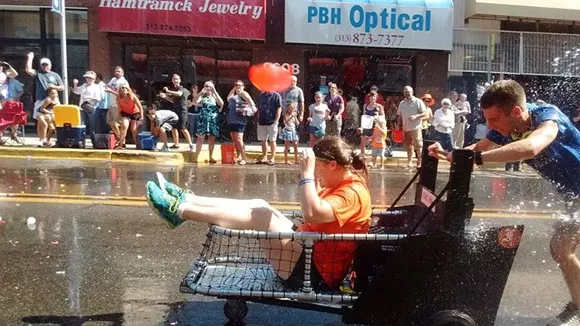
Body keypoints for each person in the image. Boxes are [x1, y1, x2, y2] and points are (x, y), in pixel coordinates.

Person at [428, 80, 580, 326]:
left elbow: (531, 147)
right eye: (487, 120)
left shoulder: (549, 119)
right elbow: (476, 149)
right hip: (574, 195)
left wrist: (476, 159)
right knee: (561, 249)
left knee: (561, 248)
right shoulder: (507, 125)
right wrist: (447, 153)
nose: (490, 127)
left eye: (494, 120)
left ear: (516, 112)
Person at [145, 136, 371, 291]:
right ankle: (187, 199)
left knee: (262, 216)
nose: (315, 171)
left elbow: (312, 212)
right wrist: (311, 178)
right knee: (259, 204)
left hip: (315, 275)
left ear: (332, 165)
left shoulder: (352, 192)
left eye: (317, 166)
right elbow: (313, 208)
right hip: (309, 252)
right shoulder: (342, 182)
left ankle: (180, 211)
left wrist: (306, 174)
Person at [25, 53, 65, 147]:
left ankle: (45, 140)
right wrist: (30, 58)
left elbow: (63, 87)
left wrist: (54, 86)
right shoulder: (38, 74)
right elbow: (28, 70)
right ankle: (42, 140)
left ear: (50, 65)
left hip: (53, 101)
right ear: (40, 66)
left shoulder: (55, 75)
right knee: (41, 121)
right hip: (40, 101)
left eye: (46, 64)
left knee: (52, 123)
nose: (45, 66)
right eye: (43, 65)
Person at [160, 74, 194, 151]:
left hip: (182, 111)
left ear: (180, 80)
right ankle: (176, 144)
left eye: (177, 79)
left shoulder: (182, 89)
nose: (176, 80)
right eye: (174, 79)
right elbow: (173, 100)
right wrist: (165, 96)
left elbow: (179, 94)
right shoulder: (173, 90)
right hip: (175, 110)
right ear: (172, 80)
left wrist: (168, 91)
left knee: (183, 128)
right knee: (174, 128)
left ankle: (191, 145)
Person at [397, 86, 428, 169]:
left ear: (412, 92)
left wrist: (416, 116)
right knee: (408, 146)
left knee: (418, 146)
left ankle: (419, 162)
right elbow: (399, 115)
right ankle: (409, 163)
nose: (406, 93)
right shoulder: (402, 103)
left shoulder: (418, 101)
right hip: (406, 128)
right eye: (405, 91)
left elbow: (425, 113)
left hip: (416, 128)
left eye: (408, 91)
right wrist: (398, 124)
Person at [193, 81, 224, 163]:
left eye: (209, 86)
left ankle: (211, 156)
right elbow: (195, 101)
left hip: (213, 119)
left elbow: (221, 104)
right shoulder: (202, 96)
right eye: (206, 86)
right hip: (203, 119)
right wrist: (200, 93)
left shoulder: (214, 96)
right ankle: (196, 157)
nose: (208, 88)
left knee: (212, 138)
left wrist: (214, 91)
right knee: (200, 137)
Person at [226, 80, 256, 165]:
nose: (238, 87)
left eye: (240, 85)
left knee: (239, 139)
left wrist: (253, 107)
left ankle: (243, 157)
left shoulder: (243, 93)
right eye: (236, 85)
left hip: (239, 120)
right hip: (232, 120)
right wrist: (234, 88)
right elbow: (228, 98)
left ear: (243, 86)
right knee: (235, 140)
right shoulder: (233, 97)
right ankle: (238, 156)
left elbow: (249, 99)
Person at [256, 89, 282, 166]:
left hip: (272, 121)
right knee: (263, 140)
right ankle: (264, 156)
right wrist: (258, 117)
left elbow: (279, 108)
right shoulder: (261, 95)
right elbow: (259, 107)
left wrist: (276, 120)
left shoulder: (276, 95)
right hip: (262, 121)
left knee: (272, 140)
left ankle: (272, 158)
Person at [72, 71, 102, 137]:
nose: (88, 79)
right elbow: (76, 91)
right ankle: (82, 139)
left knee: (92, 125)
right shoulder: (84, 85)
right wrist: (75, 84)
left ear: (94, 79)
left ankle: (94, 139)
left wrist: (89, 97)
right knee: (82, 124)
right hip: (82, 107)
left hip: (91, 108)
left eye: (90, 78)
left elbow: (98, 98)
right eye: (87, 77)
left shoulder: (96, 87)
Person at [116, 83, 143, 149]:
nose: (124, 89)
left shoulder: (132, 96)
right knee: (124, 126)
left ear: (128, 89)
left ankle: (137, 144)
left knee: (133, 129)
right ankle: (121, 144)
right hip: (125, 112)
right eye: (122, 88)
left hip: (135, 112)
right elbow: (119, 107)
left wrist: (141, 116)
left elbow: (140, 106)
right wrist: (119, 116)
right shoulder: (118, 98)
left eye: (126, 88)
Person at [358, 91, 385, 158]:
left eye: (374, 96)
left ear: (376, 97)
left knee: (374, 143)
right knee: (363, 141)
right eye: (371, 96)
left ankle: (374, 160)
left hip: (376, 126)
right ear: (369, 97)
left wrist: (377, 118)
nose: (372, 98)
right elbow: (364, 116)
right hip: (366, 125)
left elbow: (383, 117)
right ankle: (363, 156)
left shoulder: (379, 106)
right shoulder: (365, 106)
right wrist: (361, 126)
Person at [104, 66, 127, 139]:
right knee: (110, 122)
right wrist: (106, 87)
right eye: (116, 71)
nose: (116, 73)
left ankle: (121, 140)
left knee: (116, 124)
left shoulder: (123, 82)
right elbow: (109, 86)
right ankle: (120, 139)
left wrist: (110, 91)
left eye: (119, 71)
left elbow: (123, 95)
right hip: (112, 104)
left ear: (123, 73)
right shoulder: (113, 79)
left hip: (118, 105)